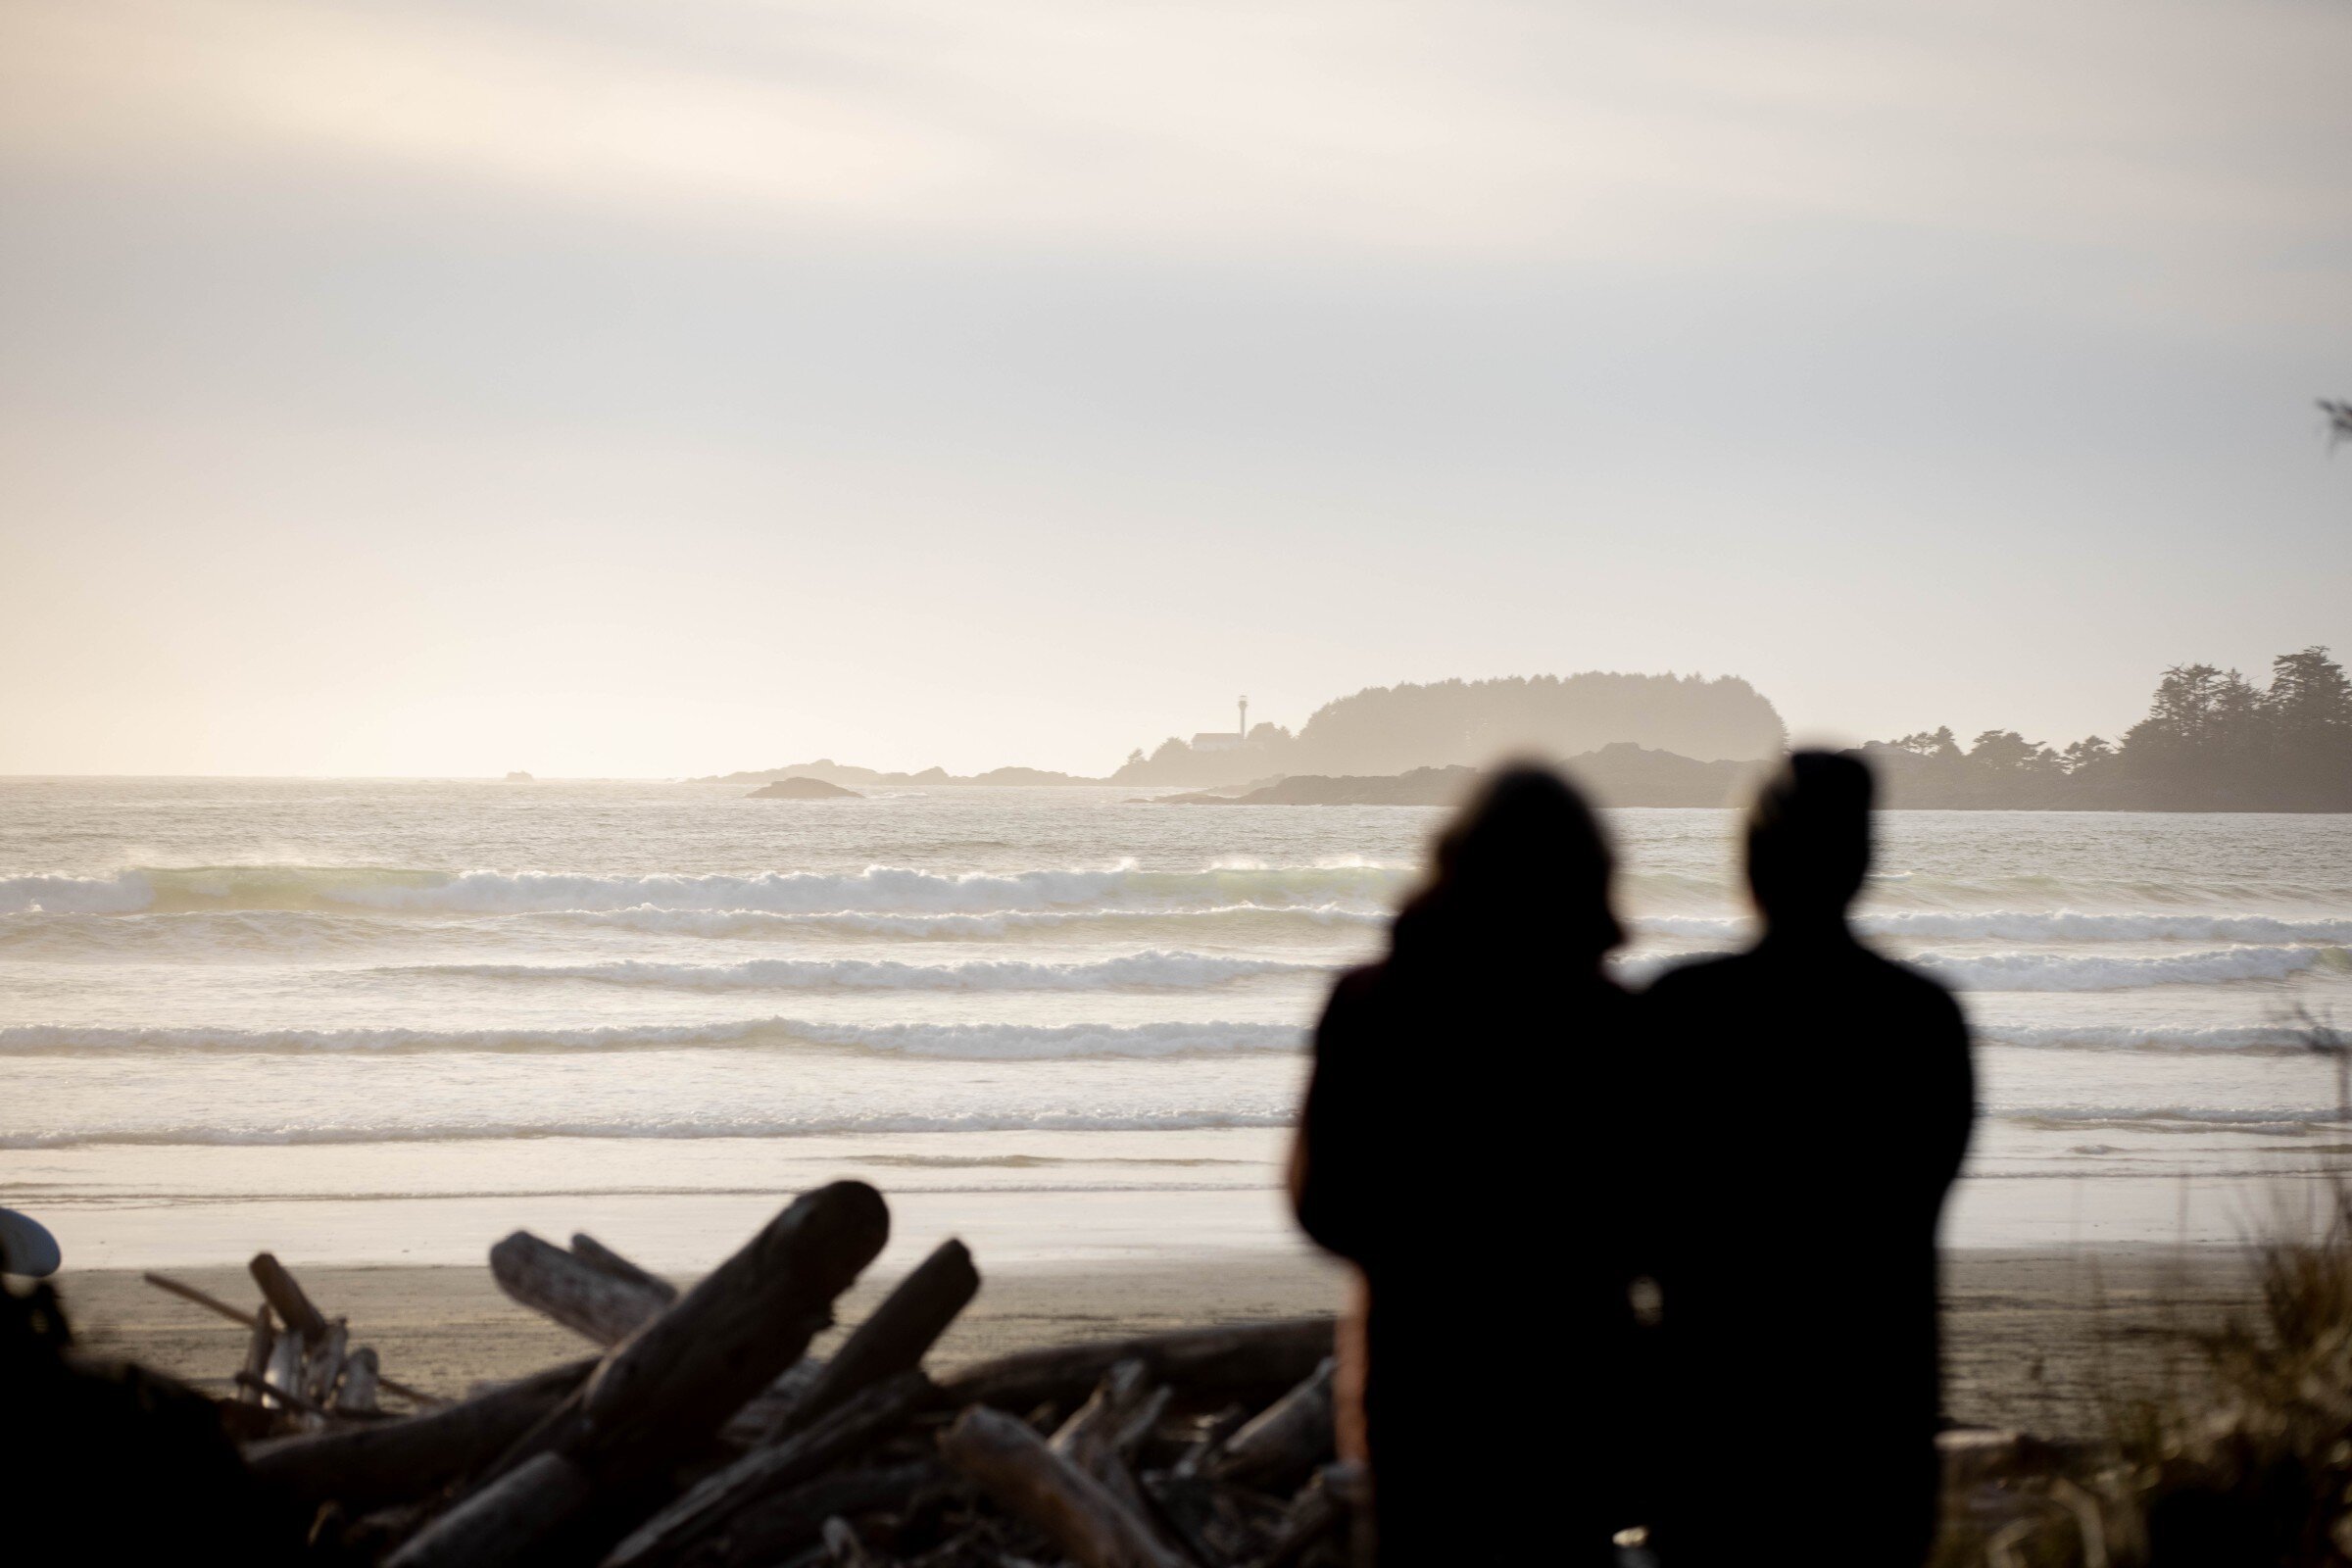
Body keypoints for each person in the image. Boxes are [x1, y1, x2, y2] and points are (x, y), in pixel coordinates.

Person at [1290, 764, 1639, 1565]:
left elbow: (1321, 1206)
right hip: (1572, 1379)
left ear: (1450, 858)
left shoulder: (1371, 1004)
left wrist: (1416, 1250)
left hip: (1418, 1377)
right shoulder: (1613, 1023)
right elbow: (1662, 1213)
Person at [1641, 752, 1975, 1565]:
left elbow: (1627, 1213)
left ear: (1748, 863)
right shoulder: (1922, 1020)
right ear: (1863, 861)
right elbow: (1917, 1202)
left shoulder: (1682, 1010)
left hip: (1715, 1417)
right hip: (1875, 1418)